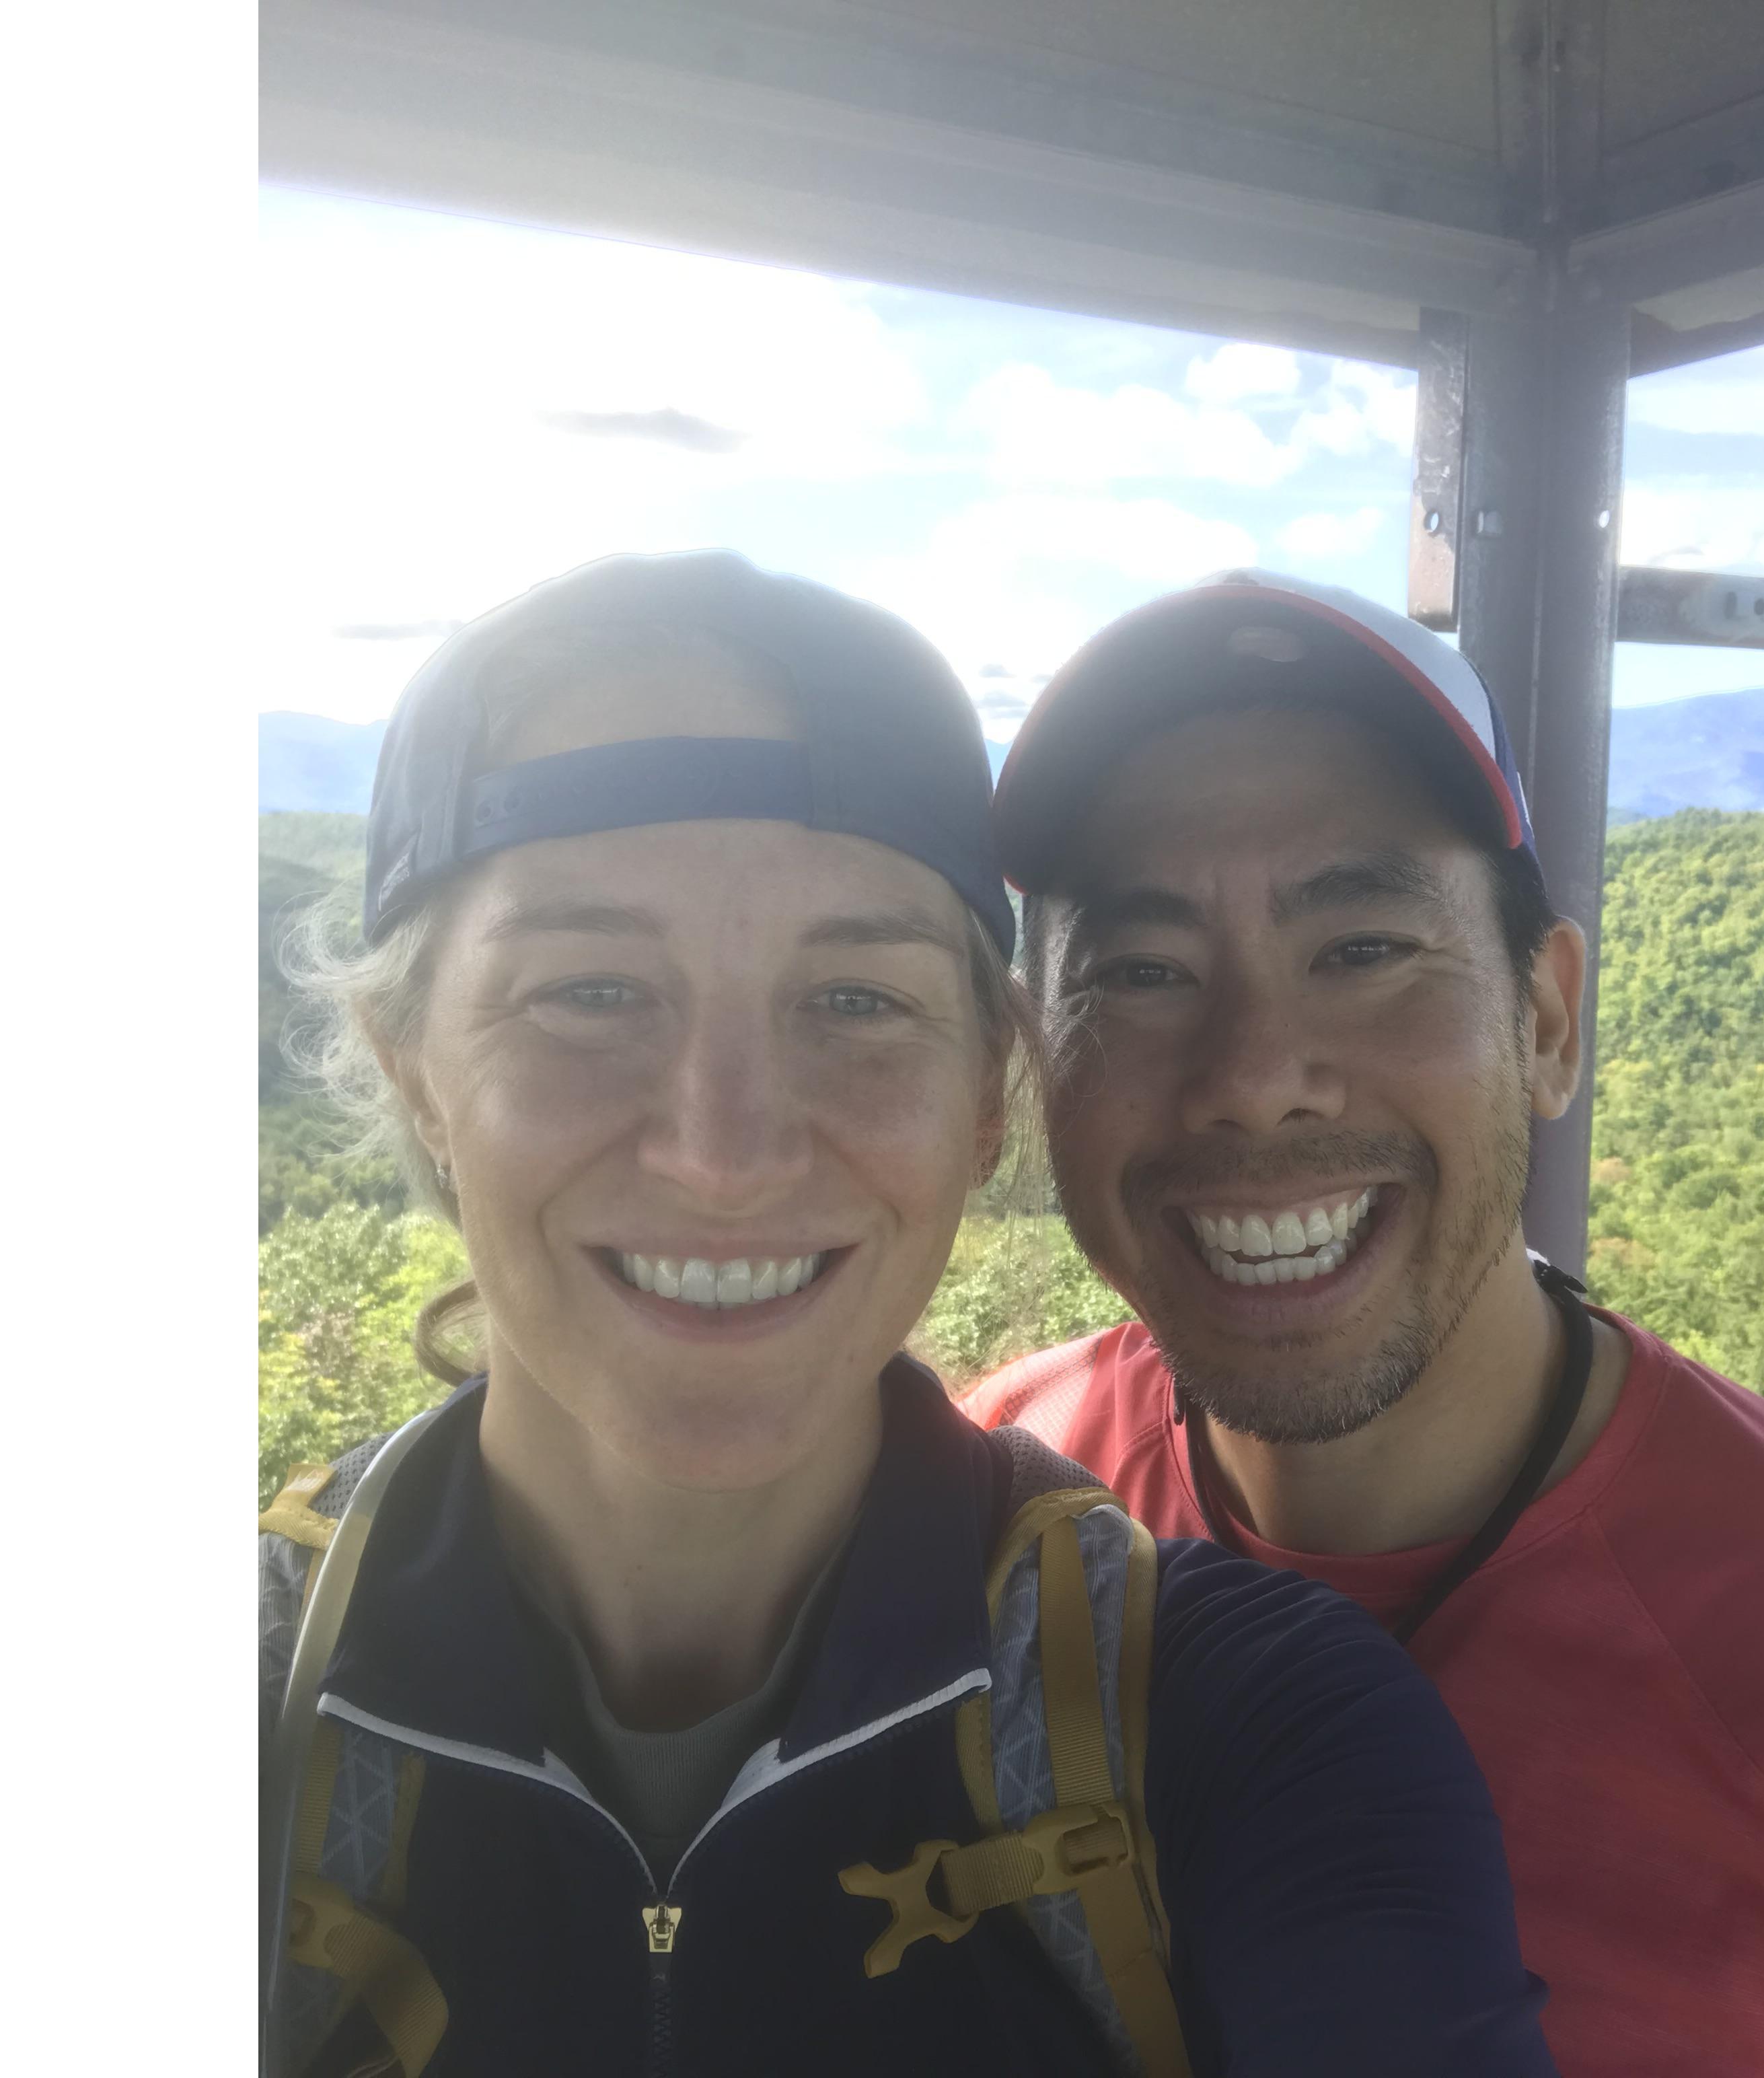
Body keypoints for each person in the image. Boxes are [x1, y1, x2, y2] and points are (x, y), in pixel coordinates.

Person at [258, 550, 1559, 2078]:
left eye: (855, 1002)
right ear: (411, 1068)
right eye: (590, 993)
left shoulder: (1239, 1724)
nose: (726, 1153)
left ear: (990, 1097)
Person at [965, 569, 1764, 2078]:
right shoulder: (972, 1509)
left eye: (1362, 950)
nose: (1254, 1077)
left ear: (1545, 1021)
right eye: (1142, 973)